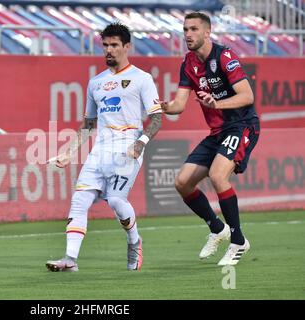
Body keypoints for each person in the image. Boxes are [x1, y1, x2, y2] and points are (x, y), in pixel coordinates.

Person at [46, 22, 162, 272]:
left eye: (114, 45)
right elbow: (88, 123)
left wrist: (140, 145)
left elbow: (157, 118)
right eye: (106, 45)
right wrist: (69, 151)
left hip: (128, 146)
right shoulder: (96, 83)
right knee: (79, 200)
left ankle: (135, 242)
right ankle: (70, 260)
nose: (109, 50)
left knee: (116, 201)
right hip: (100, 150)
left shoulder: (142, 79)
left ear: (127, 47)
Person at [161, 12, 260, 266]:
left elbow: (247, 95)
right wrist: (161, 106)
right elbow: (178, 106)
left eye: (193, 29)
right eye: (185, 29)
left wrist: (218, 103)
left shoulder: (225, 57)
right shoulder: (188, 63)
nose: (188, 34)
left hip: (242, 126)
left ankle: (238, 240)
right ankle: (217, 228)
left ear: (207, 32)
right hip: (217, 133)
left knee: (218, 175)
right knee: (182, 182)